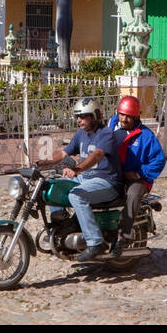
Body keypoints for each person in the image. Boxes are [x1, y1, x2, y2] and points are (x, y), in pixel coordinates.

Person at [37, 97, 122, 263]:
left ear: (95, 115)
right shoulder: (81, 134)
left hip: (107, 182)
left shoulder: (106, 134)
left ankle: (95, 242)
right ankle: (62, 225)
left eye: (83, 116)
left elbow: (96, 155)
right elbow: (63, 153)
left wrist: (77, 170)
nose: (79, 120)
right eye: (78, 116)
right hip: (86, 179)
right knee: (53, 186)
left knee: (77, 196)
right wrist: (44, 162)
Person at [106, 95, 165, 255]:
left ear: (136, 116)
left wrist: (139, 173)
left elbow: (159, 160)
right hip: (113, 174)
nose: (124, 119)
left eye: (128, 116)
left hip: (137, 180)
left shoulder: (146, 136)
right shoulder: (112, 125)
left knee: (132, 194)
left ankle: (123, 236)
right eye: (121, 114)